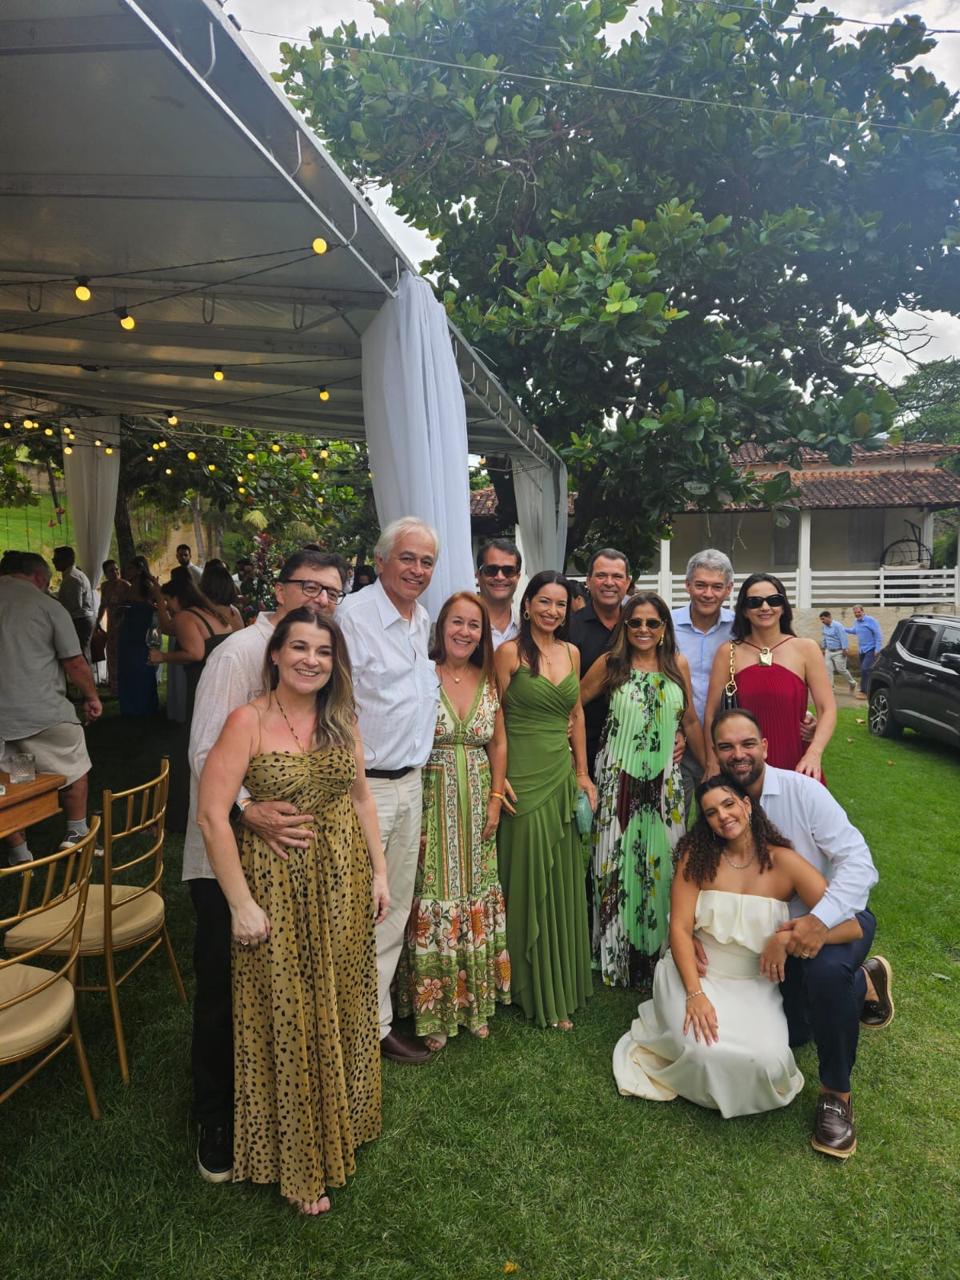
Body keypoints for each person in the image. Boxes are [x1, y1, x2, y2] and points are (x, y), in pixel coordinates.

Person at [196, 608, 388, 1215]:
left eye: (324, 651)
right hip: (276, 888)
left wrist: (380, 873)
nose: (312, 660)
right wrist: (240, 904)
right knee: (288, 1011)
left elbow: (361, 798)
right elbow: (212, 816)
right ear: (275, 653)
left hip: (343, 881)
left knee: (341, 999)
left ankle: (343, 1124)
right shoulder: (246, 720)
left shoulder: (341, 720)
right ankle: (299, 1161)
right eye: (300, 647)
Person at [184, 548, 349, 1184]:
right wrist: (248, 809)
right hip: (227, 857)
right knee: (223, 994)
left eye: (332, 591)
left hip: (288, 860)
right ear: (278, 590)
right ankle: (217, 1121)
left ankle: (287, 1110)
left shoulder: (318, 670)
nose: (322, 599)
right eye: (311, 587)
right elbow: (206, 752)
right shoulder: (238, 655)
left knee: (279, 990)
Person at [613, 775, 864, 1118]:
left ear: (747, 805)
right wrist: (694, 994)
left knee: (768, 1062)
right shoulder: (697, 858)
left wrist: (787, 938)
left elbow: (850, 927)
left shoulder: (785, 863)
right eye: (711, 812)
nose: (723, 816)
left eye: (728, 804)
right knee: (704, 1053)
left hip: (754, 983)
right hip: (697, 975)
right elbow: (680, 928)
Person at [712, 709, 892, 1157]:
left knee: (824, 975)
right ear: (715, 753)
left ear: (765, 747)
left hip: (839, 920)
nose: (738, 754)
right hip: (774, 934)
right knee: (795, 1033)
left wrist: (818, 920)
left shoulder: (803, 792)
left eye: (747, 743)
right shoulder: (719, 809)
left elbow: (859, 863)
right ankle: (865, 981)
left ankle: (836, 1096)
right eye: (726, 747)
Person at [338, 518, 441, 1066]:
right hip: (365, 789)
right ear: (380, 562)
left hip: (410, 782)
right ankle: (347, 1026)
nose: (417, 570)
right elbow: (335, 708)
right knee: (359, 907)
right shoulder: (352, 618)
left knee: (394, 907)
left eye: (427, 562)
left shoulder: (421, 618)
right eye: (407, 558)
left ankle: (374, 1023)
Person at [397, 592, 510, 1049]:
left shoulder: (490, 679)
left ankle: (474, 1001)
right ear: (441, 627)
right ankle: (436, 1009)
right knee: (434, 892)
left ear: (483, 635)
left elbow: (498, 743)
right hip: (430, 797)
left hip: (479, 797)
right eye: (457, 622)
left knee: (474, 891)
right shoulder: (421, 674)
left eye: (474, 625)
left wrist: (497, 797)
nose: (465, 632)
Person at [581, 593, 705, 988]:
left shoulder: (676, 665)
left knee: (663, 863)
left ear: (664, 627)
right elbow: (573, 706)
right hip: (617, 778)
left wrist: (709, 767)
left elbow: (690, 719)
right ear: (625, 627)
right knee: (614, 864)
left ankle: (659, 955)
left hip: (664, 783)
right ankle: (615, 956)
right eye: (635, 622)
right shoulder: (610, 664)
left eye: (652, 623)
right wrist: (578, 765)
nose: (643, 630)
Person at [494, 571, 596, 1030]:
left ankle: (560, 977)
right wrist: (498, 779)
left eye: (560, 604)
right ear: (528, 604)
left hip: (560, 774)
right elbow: (493, 717)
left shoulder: (572, 652)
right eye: (544, 602)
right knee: (525, 875)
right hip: (521, 774)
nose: (552, 611)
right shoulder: (508, 653)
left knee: (560, 875)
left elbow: (576, 715)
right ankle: (525, 983)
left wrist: (582, 773)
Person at [0, 552, 102, 865]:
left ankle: (20, 852)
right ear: (39, 577)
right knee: (74, 766)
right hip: (43, 712)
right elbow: (74, 662)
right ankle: (76, 832)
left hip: (3, 718)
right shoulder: (47, 606)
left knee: (17, 777)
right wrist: (92, 697)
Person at [704, 573, 835, 782]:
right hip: (741, 767)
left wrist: (814, 753)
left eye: (773, 600)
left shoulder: (806, 649)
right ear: (744, 610)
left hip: (796, 762)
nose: (765, 607)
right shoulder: (728, 652)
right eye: (755, 602)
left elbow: (827, 708)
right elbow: (712, 714)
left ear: (783, 607)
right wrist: (712, 762)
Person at [149, 572, 242, 831]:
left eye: (167, 601)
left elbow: (195, 652)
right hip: (226, 684)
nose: (167, 607)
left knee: (188, 747)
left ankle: (179, 816)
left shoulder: (186, 617)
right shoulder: (216, 613)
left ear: (176, 598)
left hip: (203, 686)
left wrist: (162, 657)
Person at [671, 550, 735, 805]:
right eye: (700, 585)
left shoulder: (739, 628)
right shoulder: (666, 625)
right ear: (687, 585)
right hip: (678, 741)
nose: (708, 594)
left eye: (717, 587)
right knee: (675, 818)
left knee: (724, 817)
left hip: (726, 741)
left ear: (729, 589)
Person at [568, 549, 633, 779]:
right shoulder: (569, 628)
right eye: (601, 575)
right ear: (588, 580)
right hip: (582, 746)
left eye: (617, 576)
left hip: (633, 748)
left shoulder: (638, 627)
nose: (609, 583)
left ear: (628, 582)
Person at [116, 556, 161, 717]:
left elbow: (159, 601)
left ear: (139, 569)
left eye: (130, 568)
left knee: (141, 664)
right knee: (127, 665)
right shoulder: (129, 587)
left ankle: (144, 705)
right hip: (128, 628)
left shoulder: (147, 585)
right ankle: (130, 705)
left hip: (141, 630)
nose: (126, 571)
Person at [475, 538, 522, 649]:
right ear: (478, 576)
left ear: (518, 577)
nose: (500, 577)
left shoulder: (529, 627)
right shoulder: (456, 627)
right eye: (491, 570)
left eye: (508, 571)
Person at [53, 545, 96, 663]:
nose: (54, 562)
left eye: (56, 559)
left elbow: (74, 606)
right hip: (81, 619)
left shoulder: (72, 578)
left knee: (80, 655)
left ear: (67, 560)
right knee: (81, 654)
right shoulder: (72, 575)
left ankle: (85, 674)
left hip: (80, 620)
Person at [95, 559, 129, 696]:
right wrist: (97, 621)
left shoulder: (125, 585)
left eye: (116, 569)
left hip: (124, 624)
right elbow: (103, 605)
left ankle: (125, 686)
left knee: (123, 656)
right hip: (111, 625)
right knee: (112, 655)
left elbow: (131, 605)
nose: (115, 572)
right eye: (111, 570)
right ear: (105, 574)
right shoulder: (105, 586)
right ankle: (114, 688)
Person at [845, 605, 883, 701]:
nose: (857, 614)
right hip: (862, 650)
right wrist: (843, 629)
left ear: (863, 611)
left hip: (871, 649)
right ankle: (869, 689)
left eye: (858, 612)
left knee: (865, 669)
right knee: (865, 670)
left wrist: (877, 649)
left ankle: (864, 692)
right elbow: (855, 630)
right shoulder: (856, 622)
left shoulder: (871, 620)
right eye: (855, 613)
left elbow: (878, 634)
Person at [820, 610, 857, 693]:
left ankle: (852, 683)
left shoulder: (838, 626)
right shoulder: (824, 627)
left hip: (839, 651)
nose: (822, 621)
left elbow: (843, 637)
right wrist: (823, 648)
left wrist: (845, 649)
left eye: (823, 619)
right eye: (821, 619)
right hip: (828, 651)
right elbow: (824, 637)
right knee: (828, 670)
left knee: (841, 669)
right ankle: (831, 689)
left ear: (829, 617)